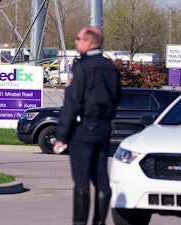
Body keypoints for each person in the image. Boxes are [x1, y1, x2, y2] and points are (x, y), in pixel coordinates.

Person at [53, 27, 122, 225]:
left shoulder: (83, 67)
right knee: (101, 178)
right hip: (104, 128)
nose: (76, 42)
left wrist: (62, 136)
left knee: (81, 180)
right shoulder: (110, 67)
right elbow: (118, 97)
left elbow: (72, 103)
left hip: (83, 128)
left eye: (78, 39)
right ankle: (99, 222)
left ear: (89, 42)